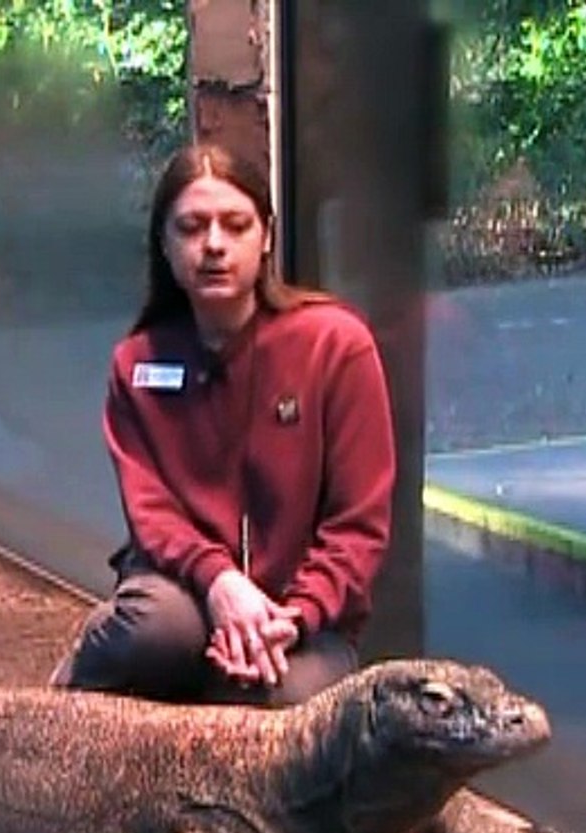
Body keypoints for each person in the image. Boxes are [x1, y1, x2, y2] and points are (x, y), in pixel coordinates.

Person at [50, 141, 396, 706]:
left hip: (300, 616)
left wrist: (294, 616)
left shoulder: (336, 345)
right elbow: (152, 515)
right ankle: (79, 684)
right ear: (163, 243)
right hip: (184, 592)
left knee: (278, 701)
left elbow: (357, 527)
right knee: (152, 635)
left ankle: (215, 680)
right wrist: (220, 582)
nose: (214, 245)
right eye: (191, 227)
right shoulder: (137, 364)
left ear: (266, 237)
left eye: (235, 225)